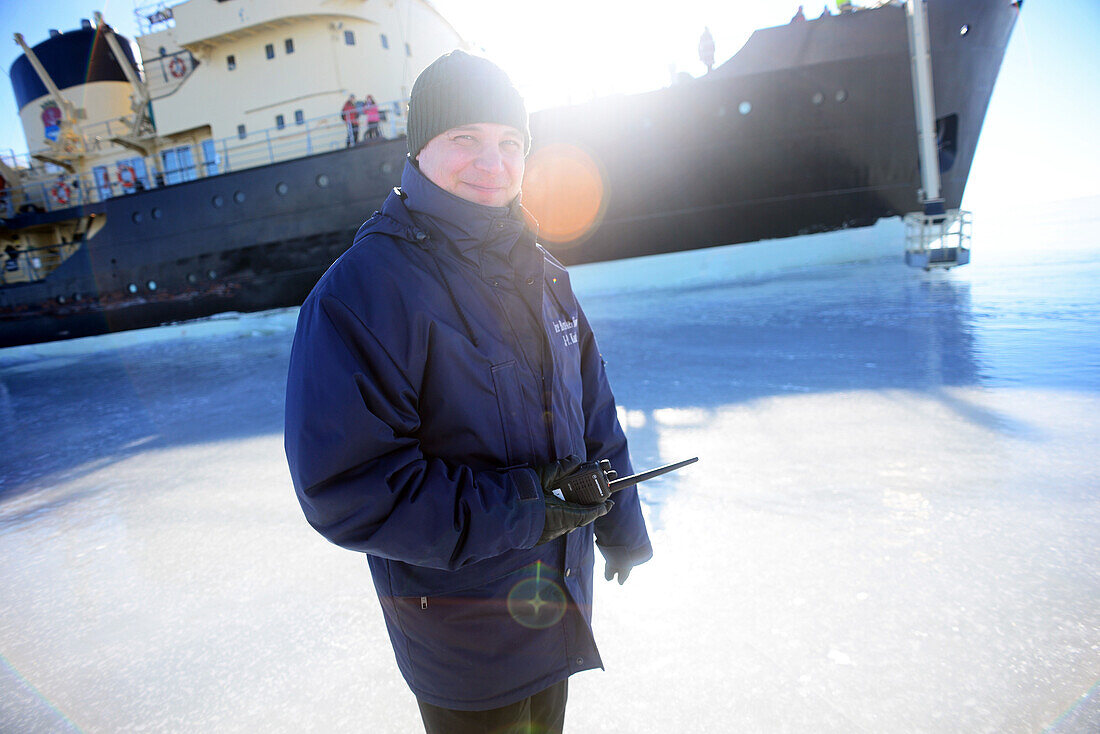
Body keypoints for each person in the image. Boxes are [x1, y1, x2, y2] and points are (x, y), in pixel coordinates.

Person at [284, 50, 652, 734]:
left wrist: (623, 532)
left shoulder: (545, 272)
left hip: (556, 607)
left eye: (510, 143)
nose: (494, 163)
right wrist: (528, 509)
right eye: (466, 140)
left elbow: (593, 411)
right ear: (420, 147)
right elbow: (350, 488)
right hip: (464, 642)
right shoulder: (362, 292)